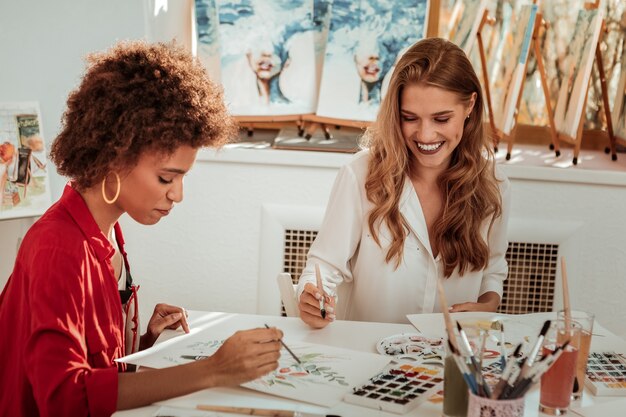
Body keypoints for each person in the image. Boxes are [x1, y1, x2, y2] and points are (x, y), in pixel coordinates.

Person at [0, 41, 283, 416]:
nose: (177, 194)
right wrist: (213, 370)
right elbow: (65, 399)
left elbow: (97, 365)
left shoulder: (109, 231)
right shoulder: (57, 248)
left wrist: (146, 339)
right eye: (167, 178)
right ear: (116, 155)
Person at [296, 37, 510, 327]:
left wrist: (486, 306)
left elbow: (493, 273)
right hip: (368, 357)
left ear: (470, 106)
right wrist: (311, 297)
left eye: (441, 119)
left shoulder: (493, 185)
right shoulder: (360, 175)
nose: (425, 135)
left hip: (450, 359)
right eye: (410, 118)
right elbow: (322, 267)